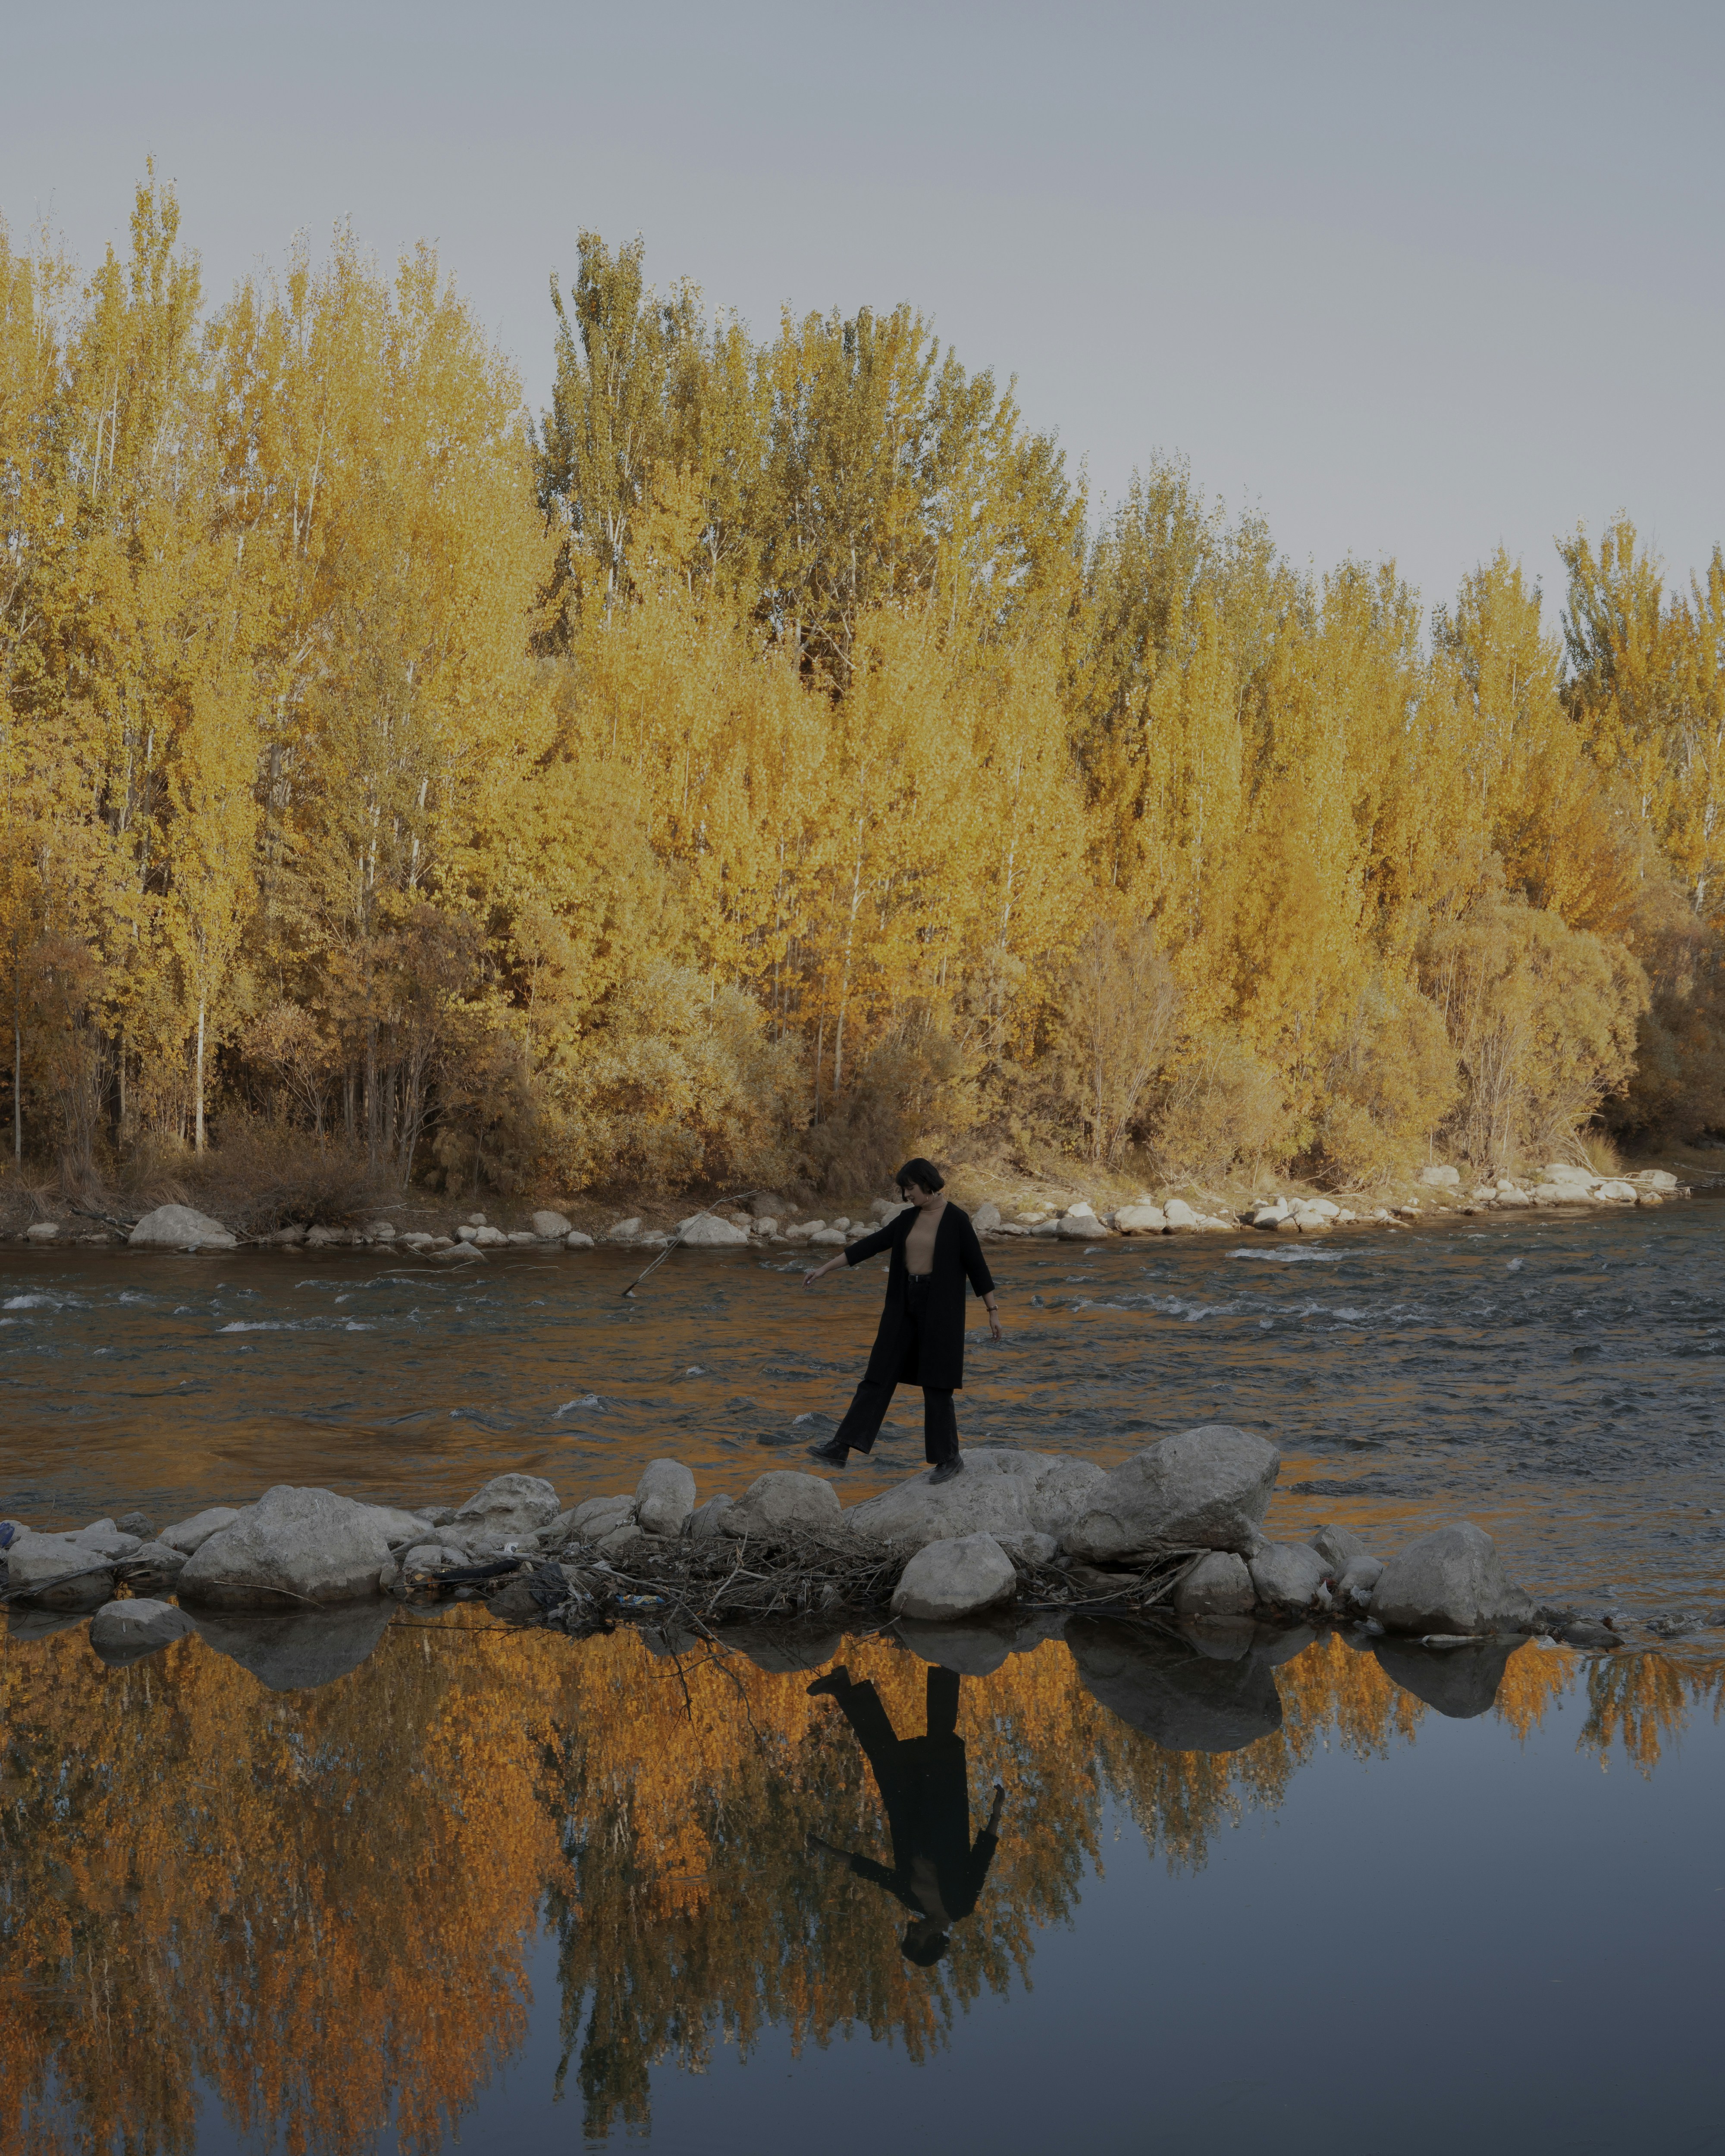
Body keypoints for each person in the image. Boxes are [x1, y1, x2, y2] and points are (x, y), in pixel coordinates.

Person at [802, 1157, 1000, 1484]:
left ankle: (949, 1458)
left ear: (927, 1184)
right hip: (903, 1304)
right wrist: (824, 1269)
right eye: (904, 1190)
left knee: (937, 1383)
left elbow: (977, 1266)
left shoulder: (957, 1220)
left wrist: (993, 1311)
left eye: (910, 1188)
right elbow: (870, 1246)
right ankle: (842, 1447)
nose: (907, 1195)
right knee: (878, 1375)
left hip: (940, 1311)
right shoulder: (907, 1220)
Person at [806, 1663, 1004, 1965]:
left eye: (909, 1940)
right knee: (940, 1743)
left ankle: (843, 1689)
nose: (911, 1934)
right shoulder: (961, 1906)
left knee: (885, 1758)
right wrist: (996, 1814)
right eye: (917, 1941)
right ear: (934, 1942)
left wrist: (827, 1850)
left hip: (908, 1816)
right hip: (944, 1813)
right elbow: (981, 1860)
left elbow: (870, 1871)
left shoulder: (912, 1900)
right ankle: (948, 1665)